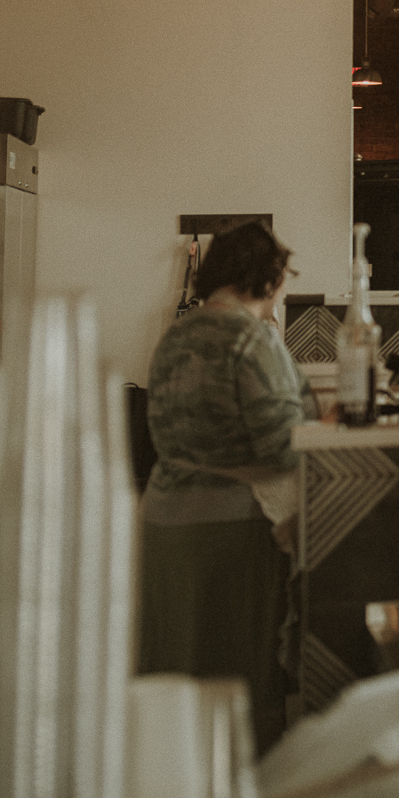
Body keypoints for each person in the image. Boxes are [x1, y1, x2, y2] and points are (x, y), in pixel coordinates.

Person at [138, 220, 314, 751]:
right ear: (265, 278)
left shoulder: (175, 336)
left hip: (164, 521)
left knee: (180, 671)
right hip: (232, 528)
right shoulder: (249, 337)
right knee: (246, 674)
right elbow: (282, 442)